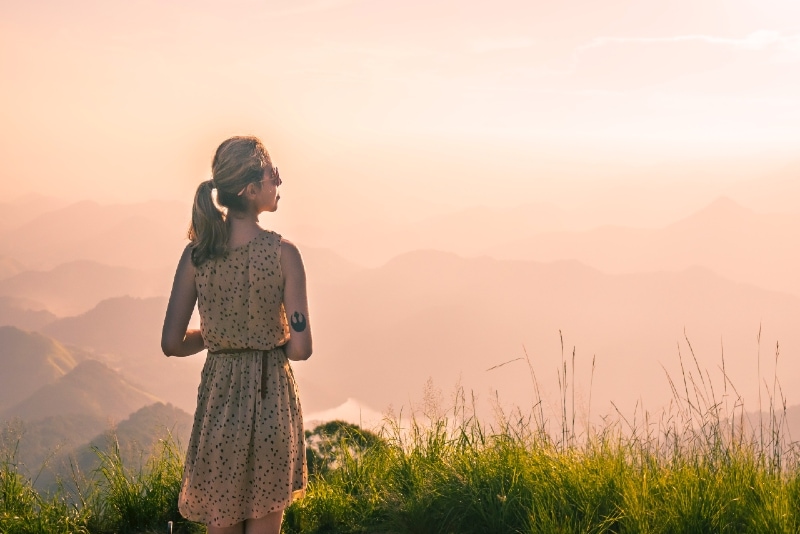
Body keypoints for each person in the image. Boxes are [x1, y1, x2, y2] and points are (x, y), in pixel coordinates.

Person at [161, 136, 312, 534]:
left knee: (221, 523)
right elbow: (301, 349)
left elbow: (172, 344)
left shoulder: (198, 255)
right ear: (250, 190)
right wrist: (268, 337)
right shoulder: (284, 255)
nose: (278, 178)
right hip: (271, 401)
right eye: (271, 172)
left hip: (220, 403)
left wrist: (217, 337)